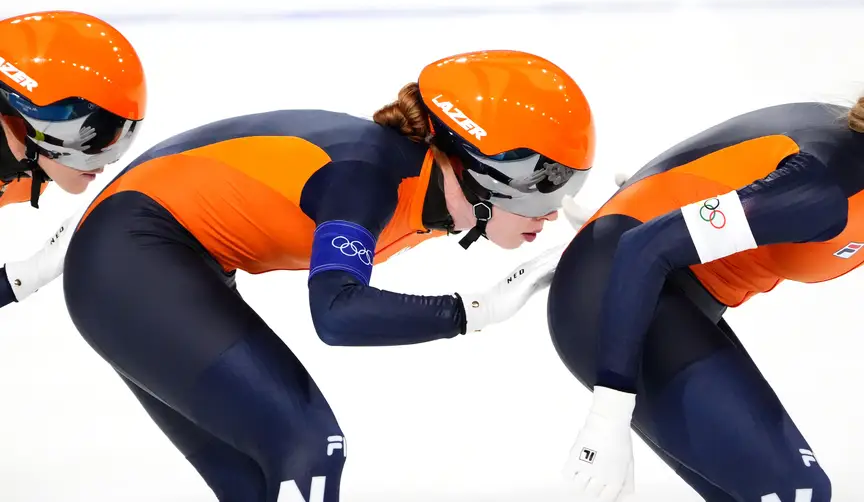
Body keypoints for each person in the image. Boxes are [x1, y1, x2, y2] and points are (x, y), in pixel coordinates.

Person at [62, 48, 596, 502]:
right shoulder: (367, 177)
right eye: (545, 186)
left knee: (258, 483)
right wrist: (475, 310)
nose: (553, 210)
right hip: (129, 258)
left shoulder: (425, 180)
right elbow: (337, 313)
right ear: (482, 171)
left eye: (569, 186)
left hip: (146, 262)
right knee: (310, 447)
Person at [547, 99, 864, 502]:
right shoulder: (823, 188)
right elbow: (645, 245)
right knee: (797, 491)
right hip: (615, 287)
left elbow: (723, 155)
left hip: (679, 292)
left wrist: (652, 198)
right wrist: (607, 418)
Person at [0, 10, 146, 305]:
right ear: (16, 121)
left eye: (117, 136)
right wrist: (30, 274)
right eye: (84, 140)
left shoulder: (31, 165)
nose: (103, 165)